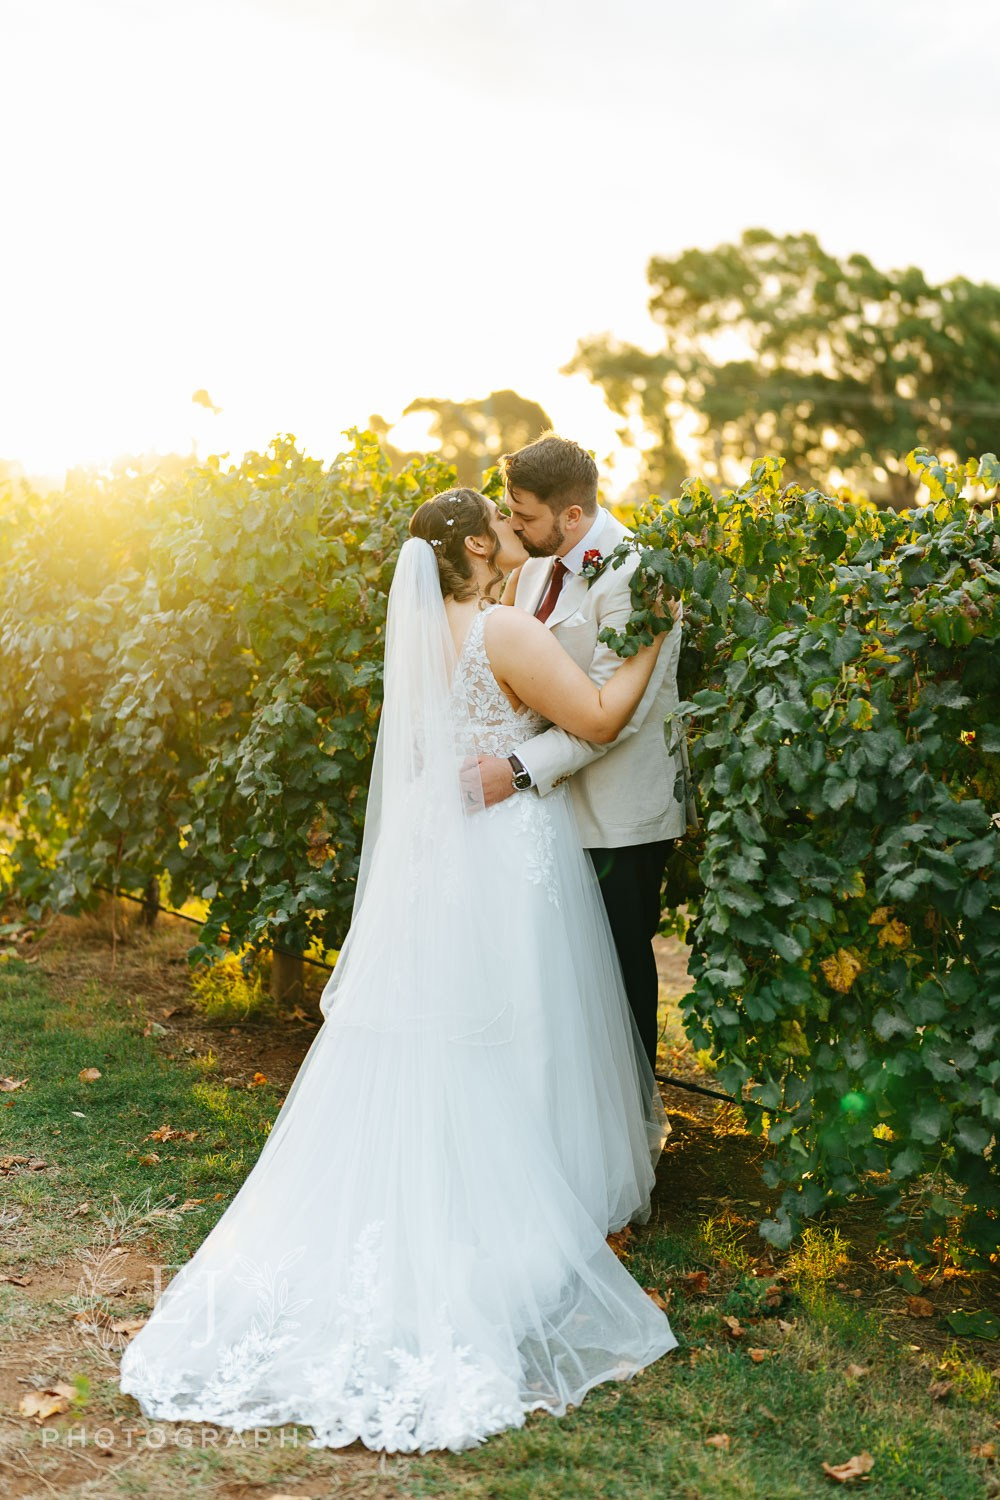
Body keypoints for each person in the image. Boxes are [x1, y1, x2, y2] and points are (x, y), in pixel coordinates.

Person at [119, 487, 676, 1454]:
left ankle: (466, 1183)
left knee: (450, 1028)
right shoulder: (502, 628)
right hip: (506, 851)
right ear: (474, 545)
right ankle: (532, 1199)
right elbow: (593, 716)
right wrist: (654, 644)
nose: (514, 530)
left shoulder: (424, 638)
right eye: (500, 524)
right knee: (526, 1018)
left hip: (438, 845)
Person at [469, 434, 690, 1071]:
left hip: (617, 814)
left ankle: (636, 1133)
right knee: (559, 978)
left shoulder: (638, 576)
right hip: (548, 813)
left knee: (619, 974)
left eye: (525, 516)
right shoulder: (535, 563)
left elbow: (613, 717)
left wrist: (514, 771)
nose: (513, 527)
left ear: (573, 515)